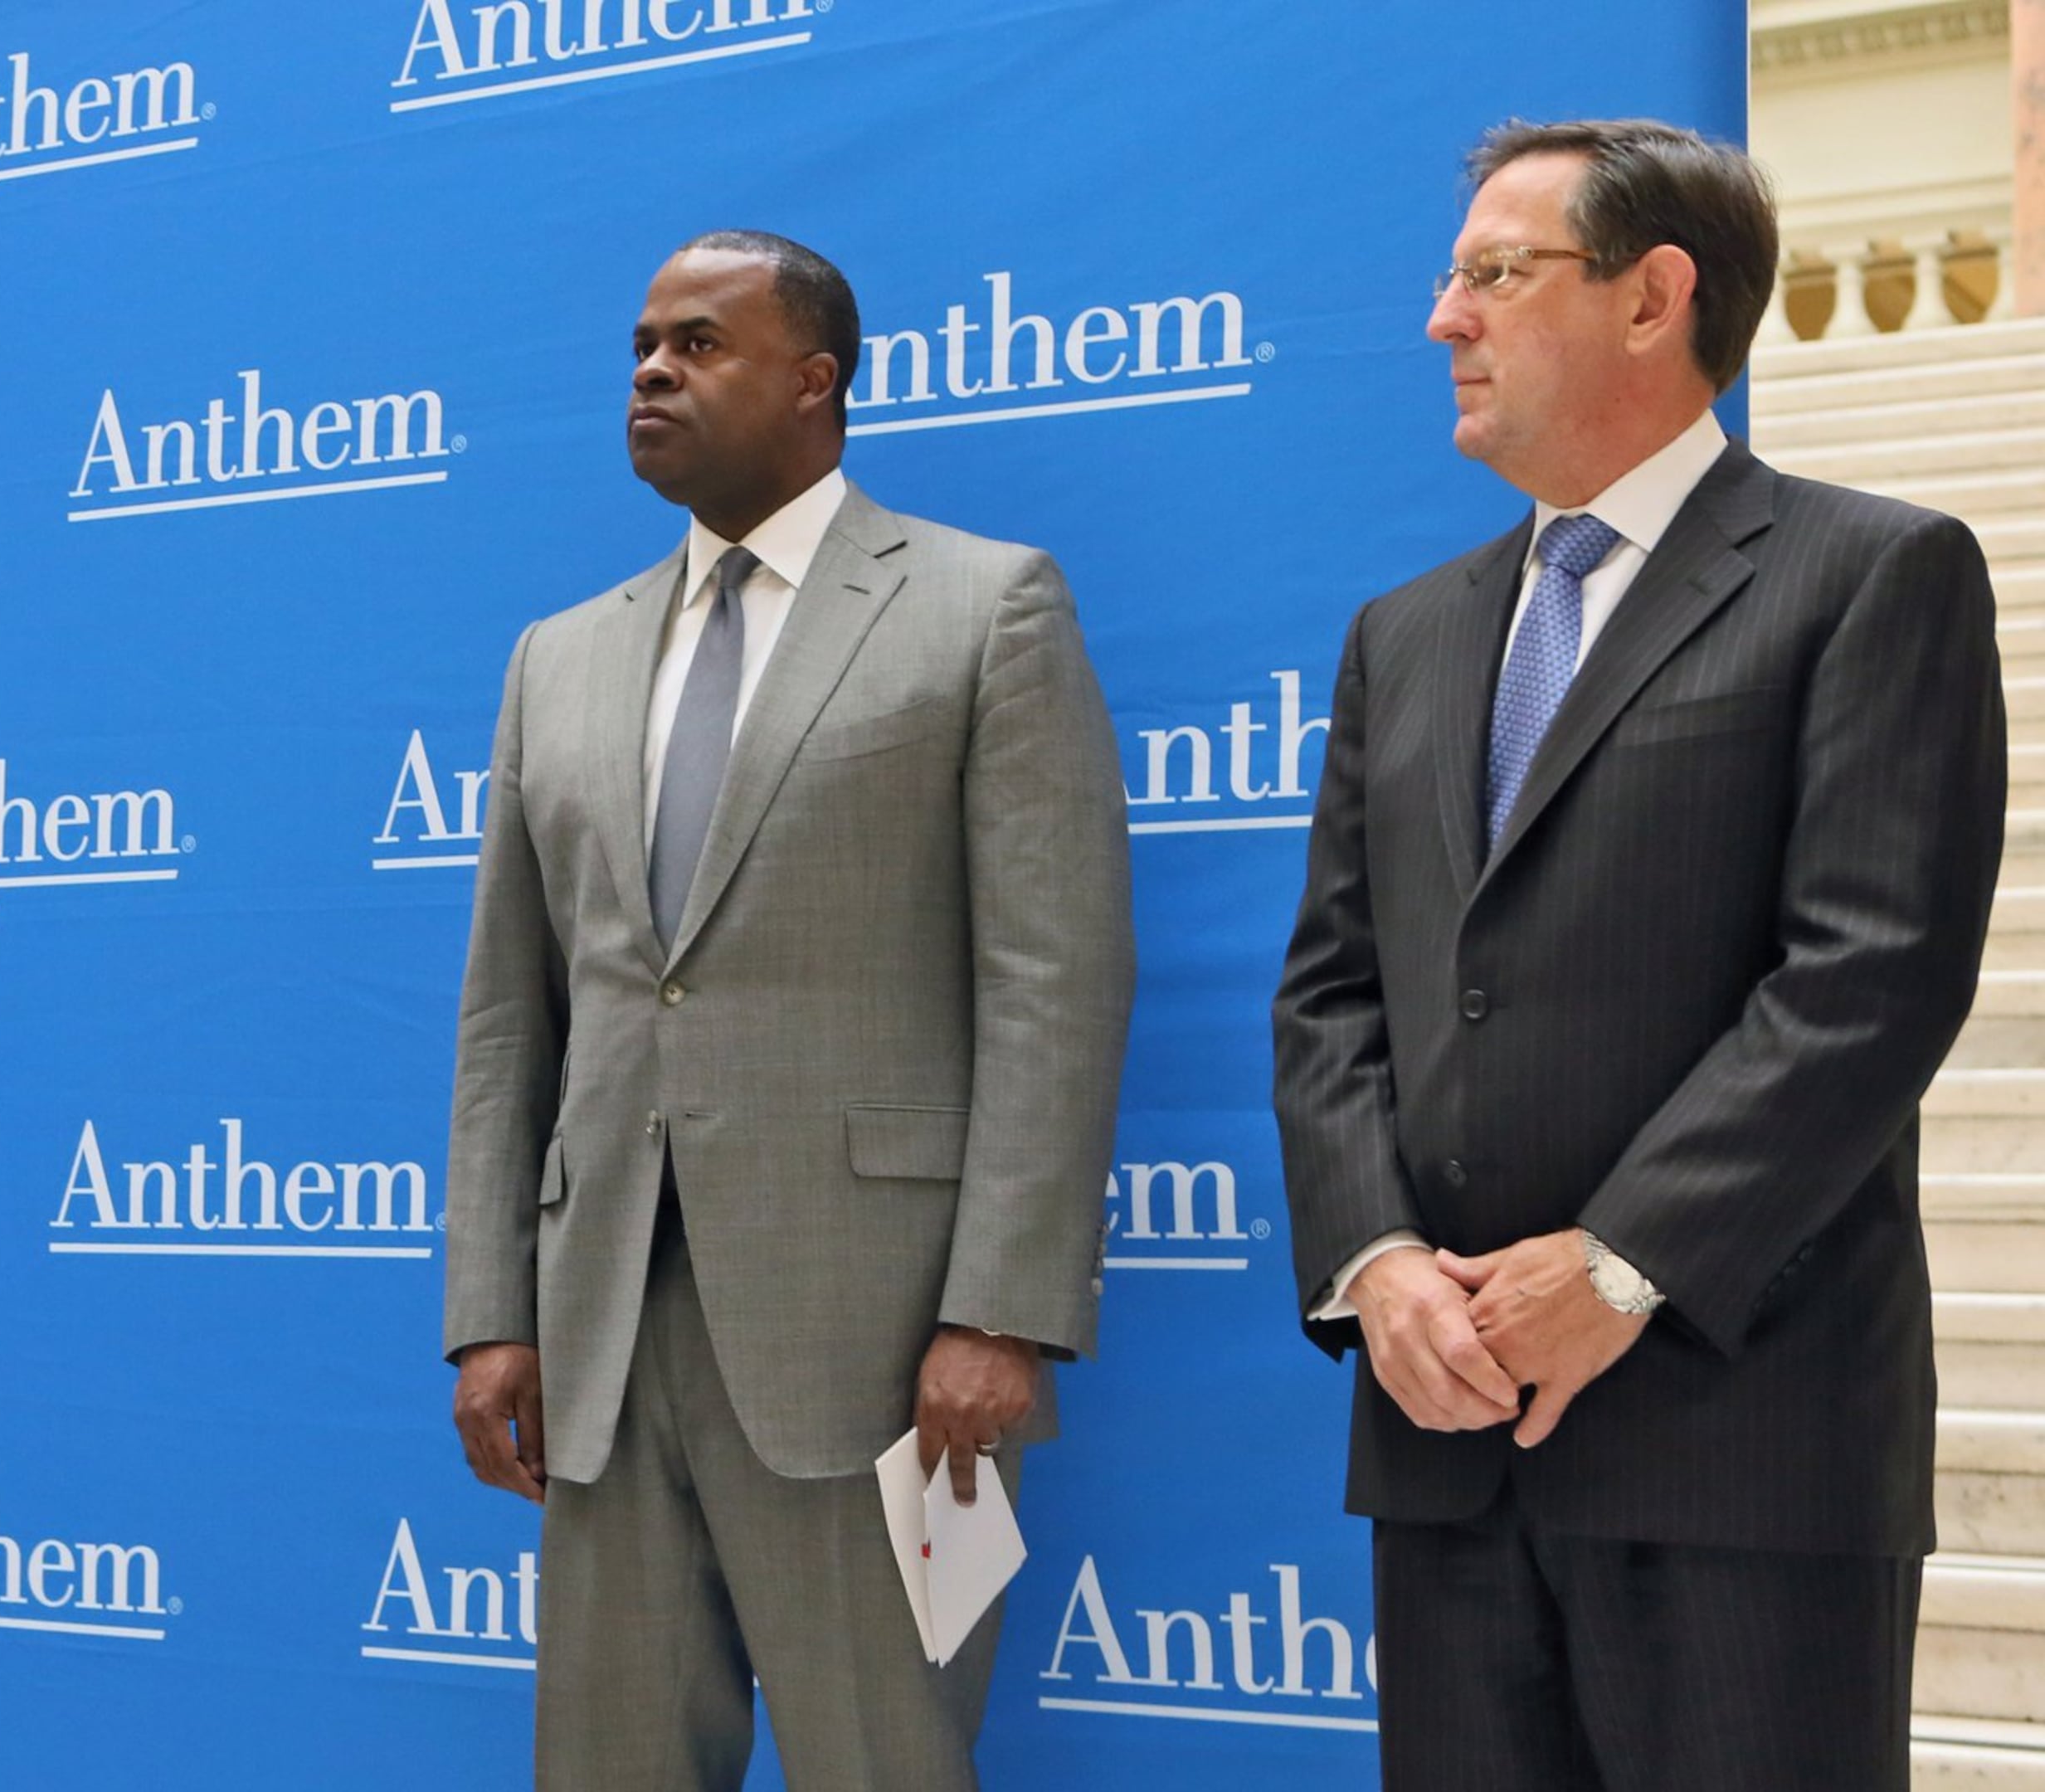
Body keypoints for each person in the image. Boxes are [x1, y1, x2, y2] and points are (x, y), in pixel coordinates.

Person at [1273, 118, 2005, 1790]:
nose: (1443, 320)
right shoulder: (1409, 632)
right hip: (1449, 1438)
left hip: (1738, 1445)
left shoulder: (1869, 577)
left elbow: (1868, 976)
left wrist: (1613, 1267)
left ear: (1652, 295)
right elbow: (1332, 993)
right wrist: (1379, 1263)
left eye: (1489, 273)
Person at [441, 230, 1133, 1791]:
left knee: (884, 1765)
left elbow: (1055, 984)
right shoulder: (559, 658)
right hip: (603, 1341)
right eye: (641, 345)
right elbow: (509, 1019)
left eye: (700, 344)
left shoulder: (984, 607)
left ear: (818, 383)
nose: (651, 373)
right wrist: (492, 1314)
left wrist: (1000, 1311)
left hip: (881, 1348)